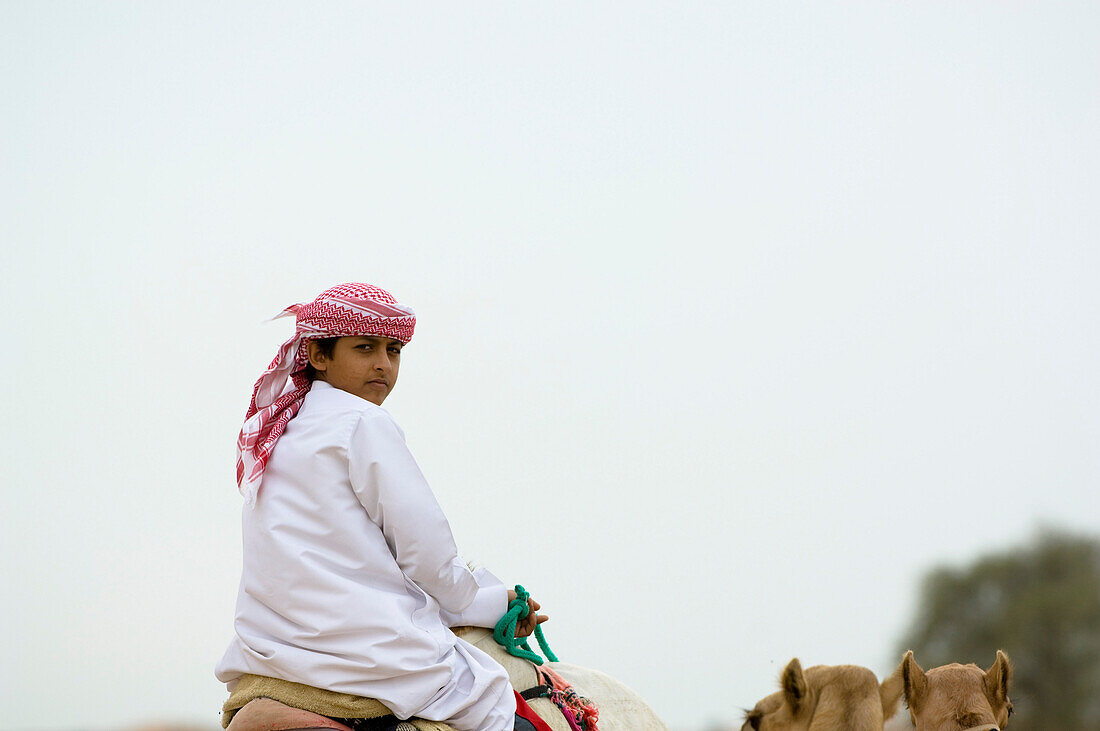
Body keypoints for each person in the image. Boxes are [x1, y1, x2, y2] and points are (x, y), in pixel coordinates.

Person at [216, 283, 547, 731]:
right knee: (509, 718)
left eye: (393, 350)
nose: (382, 364)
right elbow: (427, 559)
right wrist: (479, 599)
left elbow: (357, 575)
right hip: (368, 660)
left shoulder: (280, 435)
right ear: (317, 354)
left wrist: (490, 604)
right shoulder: (362, 422)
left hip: (275, 653)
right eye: (364, 347)